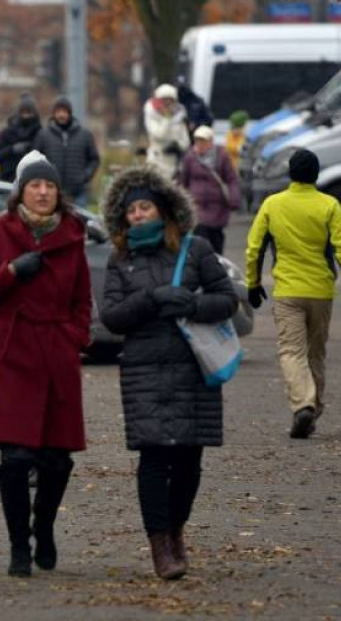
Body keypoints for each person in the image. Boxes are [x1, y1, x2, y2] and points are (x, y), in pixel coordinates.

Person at [99, 165, 237, 580]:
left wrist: (193, 305)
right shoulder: (120, 260)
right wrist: (151, 299)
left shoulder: (195, 250)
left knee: (190, 462)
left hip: (193, 368)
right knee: (155, 460)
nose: (138, 215)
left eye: (145, 207)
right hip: (145, 372)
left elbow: (227, 299)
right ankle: (160, 545)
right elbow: (111, 317)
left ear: (163, 210)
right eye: (132, 210)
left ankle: (176, 530)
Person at [0, 149, 91, 577]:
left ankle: (46, 527)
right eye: (35, 185)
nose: (42, 192)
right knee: (14, 461)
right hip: (13, 357)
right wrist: (13, 272)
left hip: (58, 357)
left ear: (59, 193)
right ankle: (19, 545)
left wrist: (74, 338)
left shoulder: (73, 235)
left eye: (50, 186)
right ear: (22, 191)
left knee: (58, 461)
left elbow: (82, 301)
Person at [245, 148, 341, 439]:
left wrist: (253, 283)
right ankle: (313, 409)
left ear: (290, 173)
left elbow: (255, 247)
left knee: (291, 351)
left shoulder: (273, 204)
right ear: (316, 174)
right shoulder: (329, 205)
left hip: (287, 290)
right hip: (321, 291)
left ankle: (303, 405)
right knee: (315, 353)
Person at [179, 126, 240, 254]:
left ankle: (217, 263)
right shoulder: (190, 157)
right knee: (201, 236)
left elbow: (231, 179)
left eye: (203, 140)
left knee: (216, 239)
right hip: (197, 206)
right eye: (197, 140)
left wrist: (234, 198)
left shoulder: (222, 156)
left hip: (218, 207)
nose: (200, 144)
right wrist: (180, 202)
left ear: (211, 141)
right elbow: (183, 181)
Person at [34, 95, 100, 206]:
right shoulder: (43, 135)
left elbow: (94, 160)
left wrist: (85, 176)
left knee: (79, 222)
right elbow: (35, 159)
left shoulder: (85, 135)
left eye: (64, 111)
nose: (61, 115)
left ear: (70, 113)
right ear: (53, 113)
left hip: (78, 193)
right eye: (58, 111)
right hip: (51, 192)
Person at [143, 84, 190, 180]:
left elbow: (186, 140)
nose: (167, 104)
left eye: (170, 100)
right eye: (164, 100)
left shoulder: (179, 116)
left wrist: (178, 146)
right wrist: (167, 118)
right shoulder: (152, 115)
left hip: (174, 164)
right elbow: (159, 134)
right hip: (157, 161)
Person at [0, 93, 42, 182]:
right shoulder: (7, 132)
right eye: (23, 112)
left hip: (33, 178)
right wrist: (12, 149)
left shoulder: (40, 133)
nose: (26, 115)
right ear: (18, 113)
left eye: (29, 112)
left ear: (34, 113)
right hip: (9, 178)